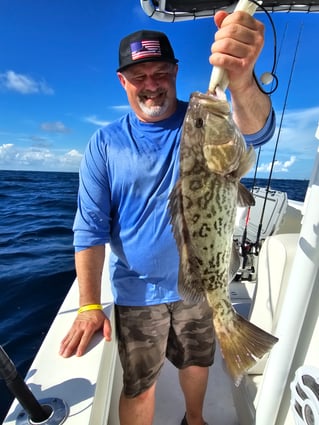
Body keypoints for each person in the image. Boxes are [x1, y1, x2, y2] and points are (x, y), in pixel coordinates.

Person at [59, 10, 275, 425]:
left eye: (160, 72)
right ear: (123, 82)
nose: (151, 85)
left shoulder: (199, 122)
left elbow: (256, 130)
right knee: (139, 383)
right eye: (139, 77)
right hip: (136, 295)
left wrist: (243, 80)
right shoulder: (104, 144)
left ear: (175, 71)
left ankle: (194, 419)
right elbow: (88, 229)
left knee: (196, 363)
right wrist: (88, 303)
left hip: (199, 284)